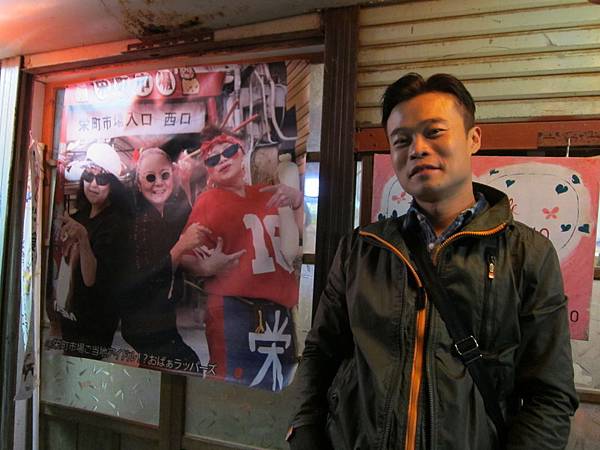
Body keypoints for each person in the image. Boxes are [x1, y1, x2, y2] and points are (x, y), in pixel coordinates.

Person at [288, 73, 578, 449]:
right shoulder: (362, 249)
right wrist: (304, 431)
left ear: (473, 138)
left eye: (434, 132)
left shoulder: (526, 254)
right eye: (401, 140)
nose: (418, 149)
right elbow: (320, 353)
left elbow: (549, 395)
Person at [182, 126, 303, 390]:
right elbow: (186, 255)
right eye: (213, 159)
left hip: (279, 311)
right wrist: (206, 267)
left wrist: (297, 201)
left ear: (242, 152)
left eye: (228, 152)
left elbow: (298, 239)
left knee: (278, 384)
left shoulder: (268, 191)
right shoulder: (208, 201)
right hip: (233, 309)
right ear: (208, 169)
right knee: (232, 387)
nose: (223, 160)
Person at [119, 147, 205, 369]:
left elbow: (186, 227)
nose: (158, 183)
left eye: (164, 175)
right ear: (139, 183)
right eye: (150, 177)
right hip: (143, 321)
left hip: (162, 319)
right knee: (190, 365)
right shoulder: (138, 221)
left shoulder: (165, 212)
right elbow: (146, 278)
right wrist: (182, 246)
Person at [57, 143, 128, 357]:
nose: (93, 184)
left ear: (113, 185)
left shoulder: (116, 224)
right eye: (89, 176)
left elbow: (90, 279)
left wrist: (83, 238)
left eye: (102, 179)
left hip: (95, 323)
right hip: (68, 315)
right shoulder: (79, 216)